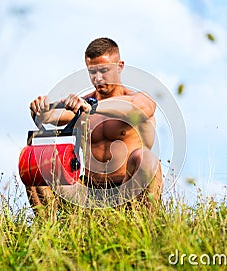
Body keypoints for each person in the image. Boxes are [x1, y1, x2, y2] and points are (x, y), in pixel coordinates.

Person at [26, 37, 162, 211]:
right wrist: (40, 109)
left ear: (119, 66)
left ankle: (149, 228)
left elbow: (141, 107)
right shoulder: (83, 105)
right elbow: (50, 115)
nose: (98, 78)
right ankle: (48, 233)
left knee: (147, 158)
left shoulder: (137, 98)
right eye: (92, 72)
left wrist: (93, 107)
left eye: (104, 70)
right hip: (89, 193)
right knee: (35, 160)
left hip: (128, 191)